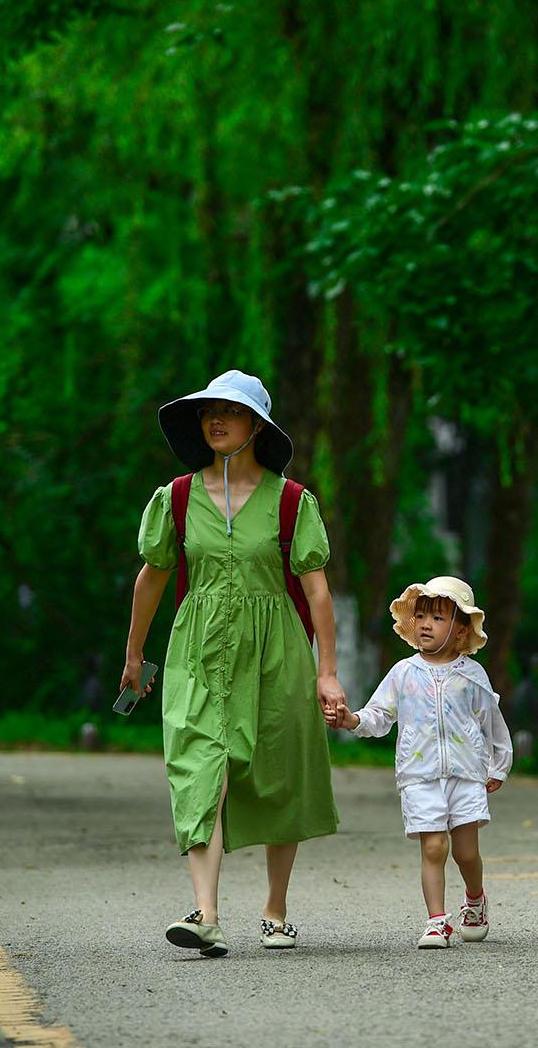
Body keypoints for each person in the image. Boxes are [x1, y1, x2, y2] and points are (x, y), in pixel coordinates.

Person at [120, 369, 346, 958]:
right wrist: (134, 653)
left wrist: (327, 672)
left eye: (232, 411)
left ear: (258, 427)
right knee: (198, 769)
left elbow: (317, 591)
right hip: (196, 651)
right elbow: (152, 577)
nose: (216, 420)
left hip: (276, 650)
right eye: (208, 411)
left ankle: (275, 911)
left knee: (277, 772)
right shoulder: (176, 498)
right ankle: (206, 914)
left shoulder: (291, 501)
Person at [328, 576, 514, 949]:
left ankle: (475, 899)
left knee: (465, 853)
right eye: (422, 616)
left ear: (461, 630)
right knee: (433, 848)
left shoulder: (472, 676)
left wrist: (498, 766)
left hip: (466, 774)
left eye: (438, 618)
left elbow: (492, 723)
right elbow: (380, 714)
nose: (426, 624)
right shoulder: (403, 673)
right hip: (420, 775)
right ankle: (436, 921)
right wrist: (353, 720)